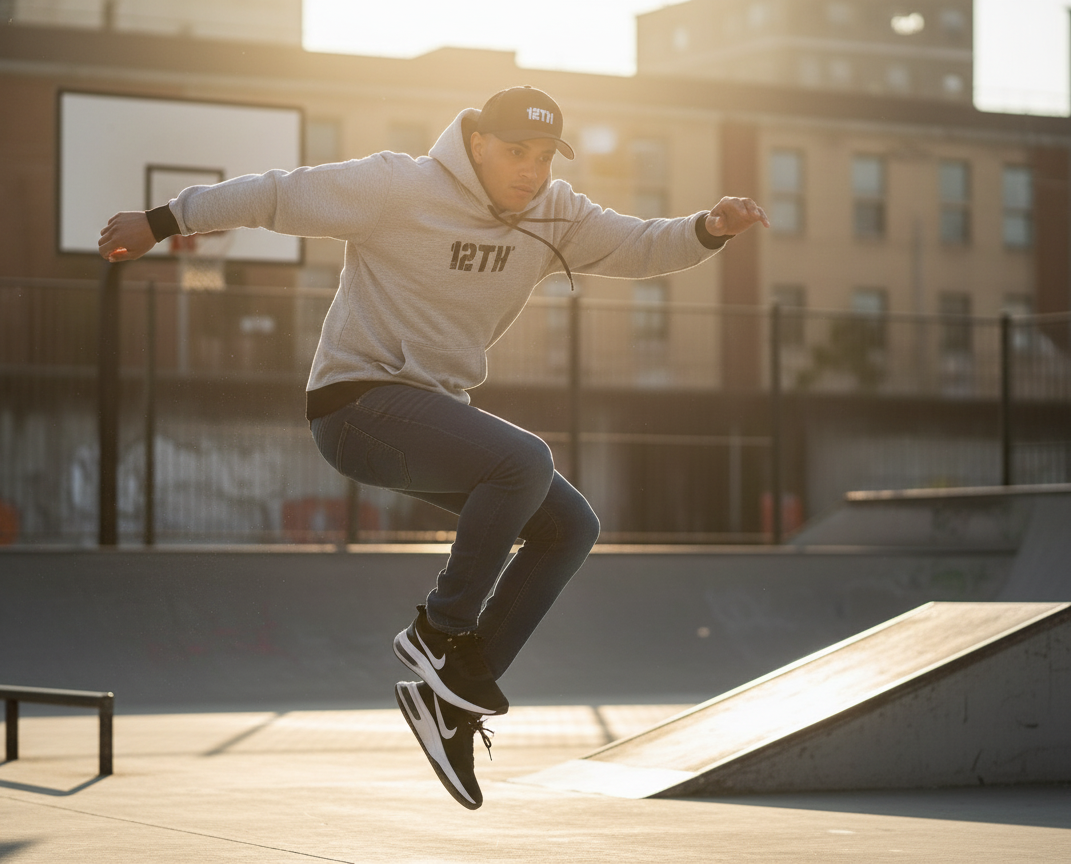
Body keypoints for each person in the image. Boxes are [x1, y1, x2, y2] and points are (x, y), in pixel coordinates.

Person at [99, 85, 768, 810]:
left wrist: (708, 228)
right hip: (354, 406)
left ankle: (453, 703)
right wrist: (162, 220)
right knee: (523, 459)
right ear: (477, 142)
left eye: (543, 157)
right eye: (516, 153)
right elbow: (276, 196)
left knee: (570, 524)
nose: (530, 171)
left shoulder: (556, 213)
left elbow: (639, 245)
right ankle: (437, 630)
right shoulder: (397, 186)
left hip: (430, 417)